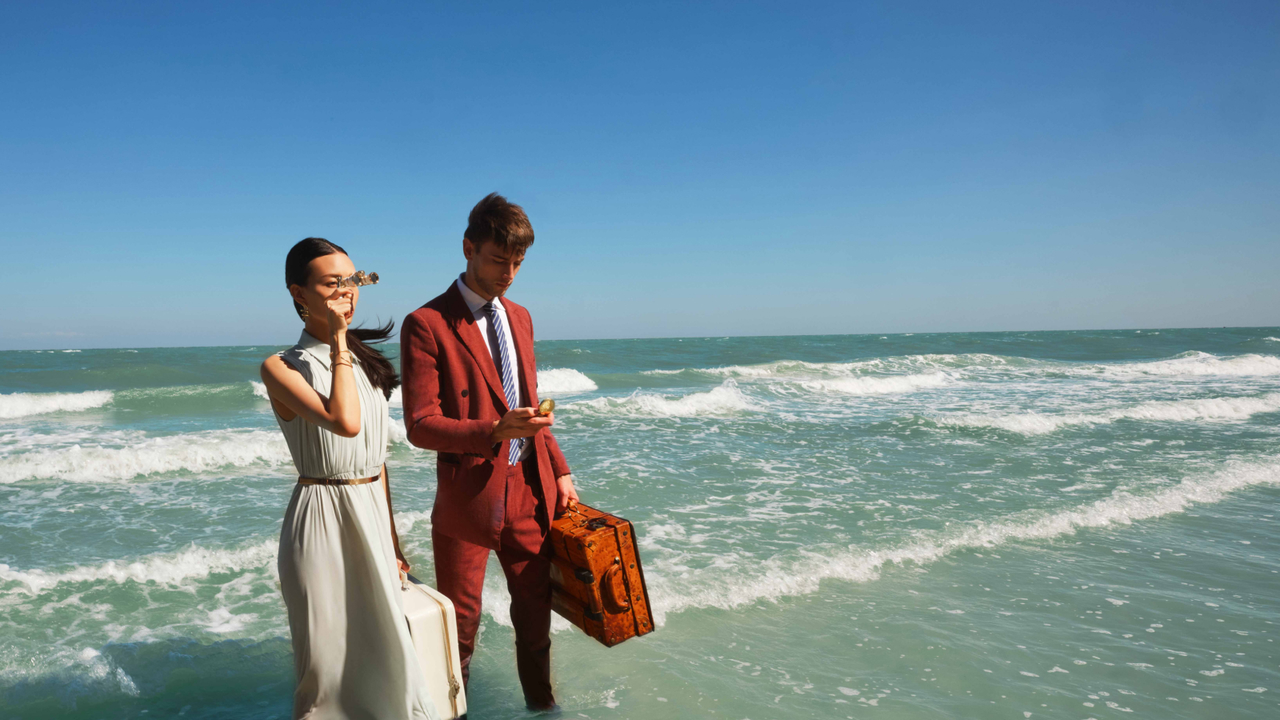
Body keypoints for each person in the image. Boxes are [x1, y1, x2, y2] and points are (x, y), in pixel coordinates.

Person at [401, 193, 579, 712]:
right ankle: (450, 712)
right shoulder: (428, 323)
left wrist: (561, 471)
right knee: (458, 631)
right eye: (499, 260)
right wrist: (494, 432)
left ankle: (542, 709)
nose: (509, 274)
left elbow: (529, 404)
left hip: (530, 488)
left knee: (536, 620)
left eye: (519, 263)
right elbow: (420, 425)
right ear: (468, 248)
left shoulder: (520, 317)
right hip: (468, 498)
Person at [260, 237, 440, 720]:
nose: (347, 291)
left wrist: (394, 544)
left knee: (390, 665)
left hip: (370, 518)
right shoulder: (281, 366)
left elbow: (375, 463)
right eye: (332, 282)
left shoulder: (365, 362)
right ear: (299, 293)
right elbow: (345, 422)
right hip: (320, 523)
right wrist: (340, 340)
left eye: (353, 280)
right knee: (329, 677)